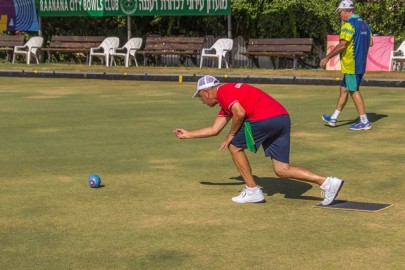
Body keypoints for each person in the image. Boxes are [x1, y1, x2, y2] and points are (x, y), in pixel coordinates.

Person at [173, 75, 344, 204]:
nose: (202, 101)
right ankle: (328, 182)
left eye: (200, 97)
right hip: (282, 118)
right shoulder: (227, 101)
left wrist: (231, 135)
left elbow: (240, 113)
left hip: (264, 118)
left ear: (207, 91)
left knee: (234, 146)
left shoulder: (224, 91)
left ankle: (252, 190)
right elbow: (214, 129)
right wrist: (188, 134)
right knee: (282, 170)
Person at [320, 0, 373, 130]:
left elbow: (343, 45)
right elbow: (370, 42)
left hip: (352, 65)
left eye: (340, 12)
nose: (340, 15)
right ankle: (334, 117)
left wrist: (327, 58)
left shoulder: (348, 26)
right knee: (344, 89)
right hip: (360, 64)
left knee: (353, 91)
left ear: (345, 11)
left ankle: (364, 121)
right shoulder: (364, 25)